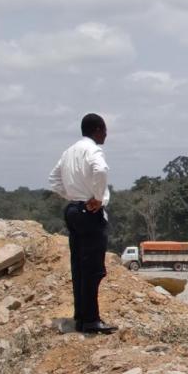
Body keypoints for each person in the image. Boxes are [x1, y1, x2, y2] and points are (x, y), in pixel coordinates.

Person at [49, 113, 118, 334]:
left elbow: (53, 179)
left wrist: (71, 195)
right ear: (97, 129)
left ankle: (80, 316)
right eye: (104, 129)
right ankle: (91, 320)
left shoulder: (69, 152)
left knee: (78, 265)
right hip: (89, 213)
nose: (106, 134)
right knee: (93, 268)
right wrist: (97, 198)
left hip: (72, 210)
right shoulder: (93, 150)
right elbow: (100, 170)